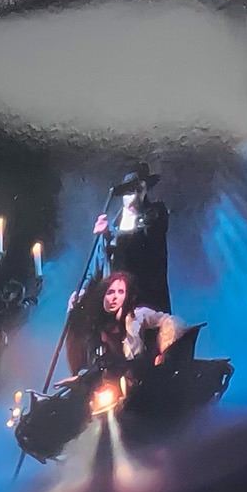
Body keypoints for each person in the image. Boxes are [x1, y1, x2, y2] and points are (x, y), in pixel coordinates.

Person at [64, 269, 183, 378]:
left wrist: (164, 348)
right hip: (108, 380)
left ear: (126, 296)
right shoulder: (95, 325)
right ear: (103, 296)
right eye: (110, 292)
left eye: (121, 292)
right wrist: (79, 377)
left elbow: (170, 321)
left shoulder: (138, 315)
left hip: (137, 375)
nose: (114, 297)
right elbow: (76, 345)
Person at [93, 162, 171, 311]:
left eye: (139, 189)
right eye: (129, 191)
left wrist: (109, 235)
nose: (135, 196)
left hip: (146, 305)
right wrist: (82, 292)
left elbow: (142, 242)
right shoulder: (112, 226)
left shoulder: (155, 214)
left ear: (145, 190)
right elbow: (96, 267)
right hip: (115, 309)